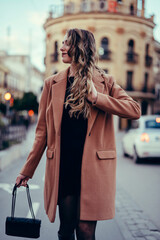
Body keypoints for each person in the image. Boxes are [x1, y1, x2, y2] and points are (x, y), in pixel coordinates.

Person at [15, 28, 141, 240]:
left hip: (94, 169)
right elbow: (42, 133)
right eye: (61, 43)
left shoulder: (105, 82)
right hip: (64, 167)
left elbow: (134, 110)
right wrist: (27, 170)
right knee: (66, 229)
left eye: (66, 43)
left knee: (85, 231)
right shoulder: (51, 84)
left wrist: (97, 98)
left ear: (80, 48)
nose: (61, 47)